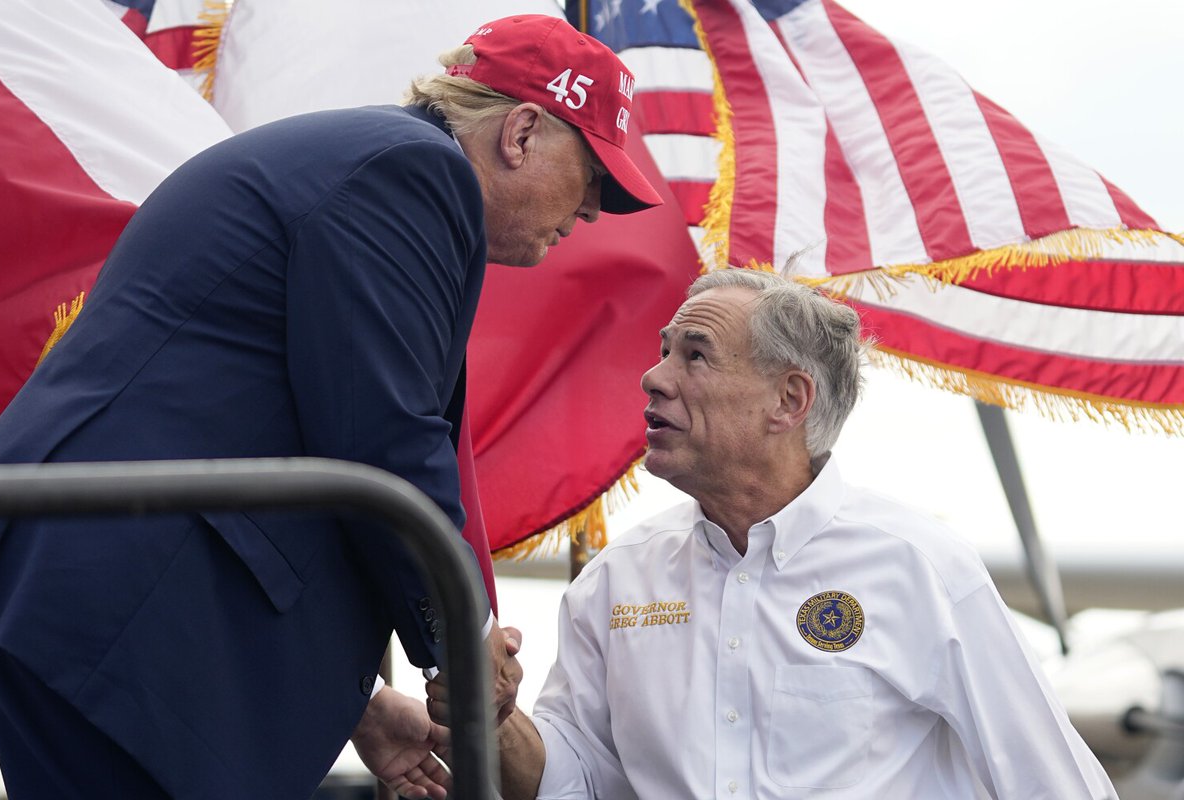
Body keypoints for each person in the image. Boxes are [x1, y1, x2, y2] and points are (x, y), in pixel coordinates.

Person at [0, 13, 660, 800]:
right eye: (591, 183)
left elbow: (312, 419)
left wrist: (364, 709)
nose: (587, 217)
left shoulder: (370, 160)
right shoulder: (413, 172)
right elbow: (384, 434)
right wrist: (466, 639)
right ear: (521, 132)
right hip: (132, 614)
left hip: (115, 601)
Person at [457, 268, 1116, 798]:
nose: (653, 378)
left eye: (695, 356)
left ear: (788, 400)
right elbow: (575, 784)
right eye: (664, 352)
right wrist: (494, 716)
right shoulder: (613, 581)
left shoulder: (921, 567)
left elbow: (1053, 783)